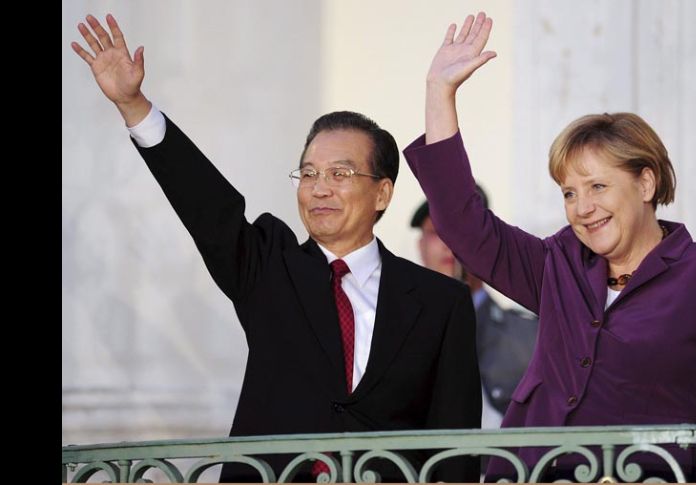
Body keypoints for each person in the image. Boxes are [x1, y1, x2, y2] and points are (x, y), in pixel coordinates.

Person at [71, 14, 481, 483]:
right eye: (308, 173)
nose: (319, 188)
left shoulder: (439, 302)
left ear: (382, 193)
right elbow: (206, 204)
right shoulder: (267, 266)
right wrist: (135, 106)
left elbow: (454, 448)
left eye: (340, 174)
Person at [402, 12, 696, 482]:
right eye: (568, 192)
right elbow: (463, 226)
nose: (583, 208)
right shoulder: (556, 265)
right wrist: (439, 94)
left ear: (646, 183)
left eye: (598, 186)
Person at [411, 186, 537, 430]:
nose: (449, 243)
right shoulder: (394, 330)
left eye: (460, 232)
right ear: (421, 246)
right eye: (437, 233)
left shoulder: (531, 336)